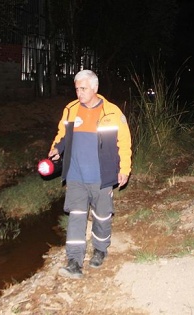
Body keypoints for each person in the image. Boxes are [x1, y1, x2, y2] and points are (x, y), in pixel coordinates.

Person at [48, 69, 132, 279]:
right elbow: (62, 135)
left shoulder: (112, 112)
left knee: (102, 216)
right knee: (76, 217)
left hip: (101, 176)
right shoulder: (70, 109)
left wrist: (124, 170)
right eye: (77, 88)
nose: (79, 92)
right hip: (76, 175)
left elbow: (125, 143)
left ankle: (100, 249)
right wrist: (56, 149)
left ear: (95, 88)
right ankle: (74, 261)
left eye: (83, 88)